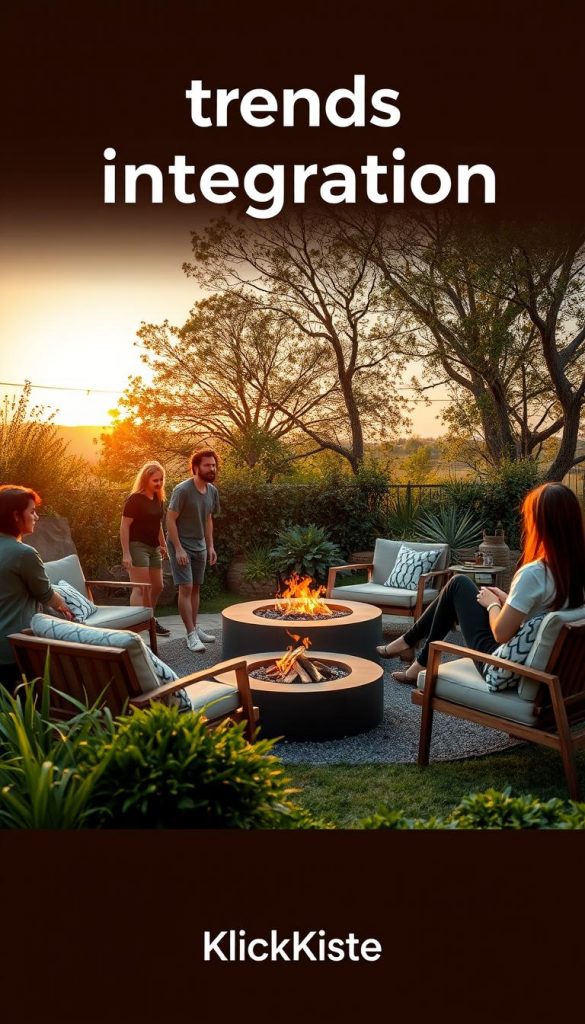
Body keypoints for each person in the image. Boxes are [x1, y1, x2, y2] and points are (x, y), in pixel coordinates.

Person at [376, 482, 585, 683]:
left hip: (501, 666)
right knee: (457, 587)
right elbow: (544, 616)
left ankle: (411, 649)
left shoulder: (535, 573)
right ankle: (411, 651)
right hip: (545, 667)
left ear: (538, 524)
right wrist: (506, 600)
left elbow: (501, 634)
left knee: (458, 584)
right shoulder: (574, 569)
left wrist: (492, 604)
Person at [0, 485, 73, 693]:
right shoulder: (24, 554)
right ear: (15, 516)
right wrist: (65, 606)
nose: (36, 517)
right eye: (32, 511)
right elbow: (46, 594)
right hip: (16, 648)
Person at [166, 449, 220, 652]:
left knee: (196, 587)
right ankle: (190, 635)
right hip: (181, 545)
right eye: (207, 465)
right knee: (186, 588)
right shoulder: (182, 490)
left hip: (200, 545)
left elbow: (207, 519)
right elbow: (170, 519)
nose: (211, 468)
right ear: (196, 467)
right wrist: (178, 549)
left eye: (213, 465)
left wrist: (210, 545)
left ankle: (195, 629)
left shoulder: (212, 491)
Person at [120, 460, 170, 638]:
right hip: (137, 547)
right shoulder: (135, 499)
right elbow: (124, 526)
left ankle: (149, 619)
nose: (159, 483)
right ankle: (137, 627)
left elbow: (157, 524)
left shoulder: (158, 498)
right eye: (155, 480)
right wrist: (126, 553)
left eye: (161, 479)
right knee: (140, 589)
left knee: (157, 586)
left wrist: (163, 544)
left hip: (153, 548)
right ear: (146, 480)